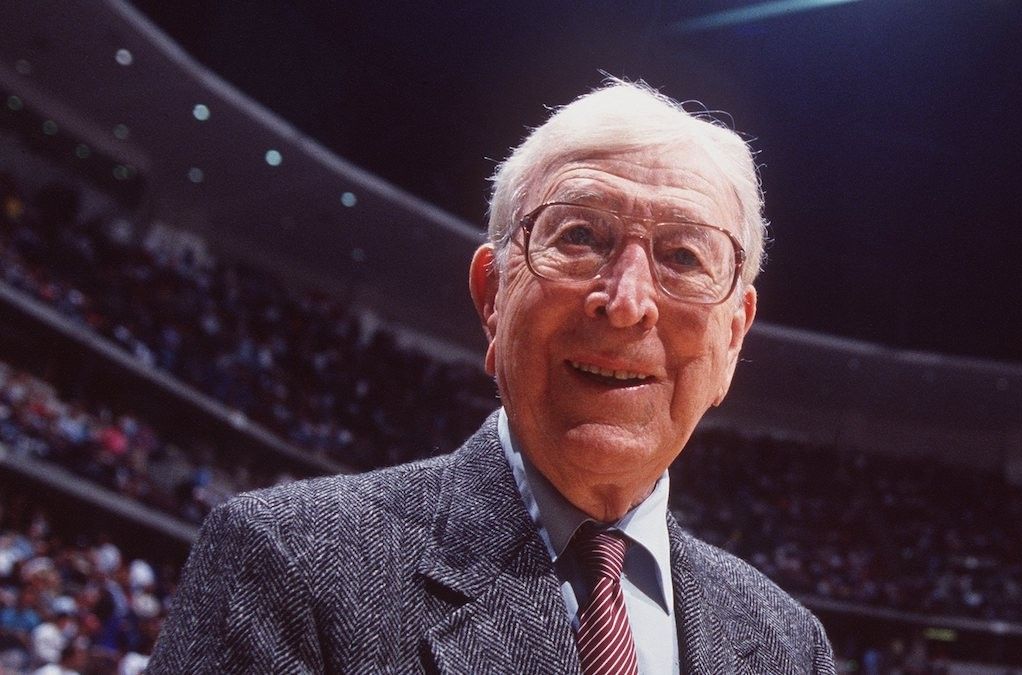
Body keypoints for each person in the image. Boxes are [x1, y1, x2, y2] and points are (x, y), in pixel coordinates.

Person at [148, 80, 835, 674]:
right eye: (580, 237)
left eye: (683, 256)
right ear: (492, 298)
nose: (627, 302)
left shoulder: (791, 648)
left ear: (733, 336)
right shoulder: (287, 564)